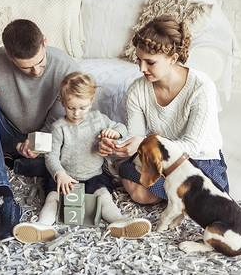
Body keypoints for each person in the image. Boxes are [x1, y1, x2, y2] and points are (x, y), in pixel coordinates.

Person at [0, 19, 80, 242]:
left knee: (59, 164)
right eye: (26, 66)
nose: (36, 71)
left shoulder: (66, 66)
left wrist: (38, 143)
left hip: (46, 141)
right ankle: (3, 195)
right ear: (9, 55)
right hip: (7, 133)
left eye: (40, 62)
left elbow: (62, 119)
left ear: (45, 41)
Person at [98, 15, 229, 204]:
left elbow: (192, 146)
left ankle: (170, 194)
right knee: (141, 194)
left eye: (150, 62)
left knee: (188, 197)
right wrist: (118, 145)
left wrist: (143, 144)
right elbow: (136, 136)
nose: (142, 68)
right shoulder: (137, 89)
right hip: (158, 157)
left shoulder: (202, 87)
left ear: (173, 58)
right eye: (139, 59)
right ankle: (164, 192)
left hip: (197, 159)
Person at [12, 72, 151, 243]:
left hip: (94, 175)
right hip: (66, 177)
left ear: (91, 102)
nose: (77, 113)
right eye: (71, 108)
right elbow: (51, 156)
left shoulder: (98, 119)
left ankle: (119, 222)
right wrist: (59, 174)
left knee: (104, 198)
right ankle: (42, 226)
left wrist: (115, 132)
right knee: (52, 200)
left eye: (82, 108)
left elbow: (122, 127)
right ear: (62, 102)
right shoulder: (59, 127)